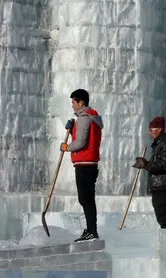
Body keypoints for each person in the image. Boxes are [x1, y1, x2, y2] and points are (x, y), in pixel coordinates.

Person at [61, 89, 104, 242]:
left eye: (74, 102)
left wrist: (66, 147)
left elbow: (80, 143)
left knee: (86, 199)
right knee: (87, 198)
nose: (72, 105)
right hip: (89, 163)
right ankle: (91, 229)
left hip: (85, 164)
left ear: (81, 103)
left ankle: (92, 231)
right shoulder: (91, 118)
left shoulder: (84, 119)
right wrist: (73, 129)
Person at [133, 117, 166, 228]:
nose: (150, 133)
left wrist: (146, 165)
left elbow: (165, 165)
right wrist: (146, 164)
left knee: (165, 220)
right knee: (164, 220)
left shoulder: (164, 144)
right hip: (163, 187)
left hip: (164, 188)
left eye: (151, 129)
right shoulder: (161, 143)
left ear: (159, 129)